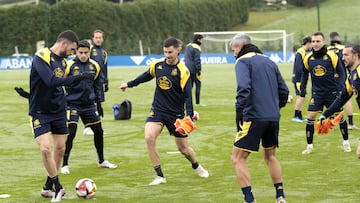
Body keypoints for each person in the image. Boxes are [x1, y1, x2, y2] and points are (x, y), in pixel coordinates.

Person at [119, 37, 209, 186]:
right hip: (158, 110)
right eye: (165, 52)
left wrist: (189, 115)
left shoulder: (183, 71)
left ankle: (196, 165)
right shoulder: (158, 65)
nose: (167, 55)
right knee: (149, 137)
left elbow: (188, 95)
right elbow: (145, 76)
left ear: (178, 50)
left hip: (176, 115)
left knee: (183, 149)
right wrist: (128, 84)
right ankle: (160, 176)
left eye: (170, 52)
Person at [29, 30, 93, 202]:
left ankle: (47, 187)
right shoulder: (42, 56)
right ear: (64, 44)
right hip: (40, 112)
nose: (73, 53)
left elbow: (57, 89)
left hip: (58, 111)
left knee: (60, 149)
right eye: (73, 49)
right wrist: (77, 78)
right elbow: (50, 81)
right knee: (44, 149)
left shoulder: (64, 63)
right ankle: (58, 187)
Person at [230, 33, 288, 203]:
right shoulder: (270, 61)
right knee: (270, 156)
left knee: (237, 158)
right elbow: (283, 91)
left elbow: (244, 87)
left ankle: (249, 199)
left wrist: (239, 111)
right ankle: (280, 196)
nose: (234, 54)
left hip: (254, 116)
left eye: (234, 49)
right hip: (273, 117)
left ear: (239, 47)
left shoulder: (242, 61)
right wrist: (275, 108)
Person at [60, 40, 117, 175]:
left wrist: (99, 103)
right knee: (71, 132)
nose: (83, 55)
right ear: (76, 52)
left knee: (99, 131)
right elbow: (61, 82)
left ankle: (101, 161)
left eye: (86, 52)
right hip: (72, 104)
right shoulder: (69, 65)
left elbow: (98, 86)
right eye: (81, 52)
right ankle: (65, 164)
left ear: (89, 52)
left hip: (88, 105)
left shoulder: (95, 66)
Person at [300, 31, 350, 155]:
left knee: (339, 117)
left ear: (323, 42)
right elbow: (304, 74)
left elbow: (342, 73)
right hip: (316, 94)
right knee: (310, 117)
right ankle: (309, 147)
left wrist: (339, 88)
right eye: (313, 41)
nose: (315, 44)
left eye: (318, 41)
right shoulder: (308, 58)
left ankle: (346, 143)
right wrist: (302, 88)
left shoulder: (331, 56)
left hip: (331, 93)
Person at [319, 43, 360, 158]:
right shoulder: (352, 76)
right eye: (342, 55)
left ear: (355, 56)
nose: (343, 58)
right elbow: (342, 98)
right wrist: (326, 114)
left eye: (346, 55)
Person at [328, 31, 358, 130]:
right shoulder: (344, 48)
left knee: (334, 99)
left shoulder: (327, 50)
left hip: (330, 79)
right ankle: (350, 123)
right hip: (343, 77)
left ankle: (331, 124)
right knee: (346, 99)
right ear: (338, 37)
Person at [83, 29, 109, 136]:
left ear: (103, 39)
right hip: (91, 82)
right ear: (93, 39)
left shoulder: (104, 53)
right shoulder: (89, 51)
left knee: (98, 104)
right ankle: (88, 127)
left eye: (100, 37)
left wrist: (106, 82)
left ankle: (95, 128)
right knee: (91, 104)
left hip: (100, 83)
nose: (98, 39)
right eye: (96, 37)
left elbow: (104, 68)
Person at [291, 36, 312, 122]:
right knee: (301, 96)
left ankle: (299, 115)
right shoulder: (300, 52)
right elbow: (299, 67)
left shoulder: (303, 52)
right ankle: (296, 116)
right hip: (299, 78)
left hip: (300, 78)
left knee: (302, 96)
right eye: (311, 43)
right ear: (308, 43)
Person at [184, 34, 204, 106]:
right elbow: (197, 60)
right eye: (201, 40)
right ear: (198, 40)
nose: (202, 41)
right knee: (198, 85)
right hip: (194, 70)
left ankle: (187, 102)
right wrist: (199, 70)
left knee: (189, 87)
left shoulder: (188, 46)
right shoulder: (197, 47)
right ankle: (197, 103)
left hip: (187, 69)